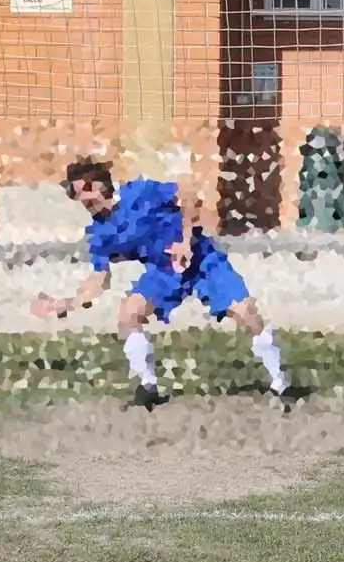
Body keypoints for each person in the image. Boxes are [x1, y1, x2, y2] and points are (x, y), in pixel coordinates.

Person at [30, 159, 298, 410]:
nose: (83, 199)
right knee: (128, 315)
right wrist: (65, 303)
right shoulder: (100, 234)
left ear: (100, 184)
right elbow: (99, 279)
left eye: (85, 191)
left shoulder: (141, 192)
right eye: (77, 196)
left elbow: (190, 195)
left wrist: (184, 240)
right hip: (164, 272)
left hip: (203, 260)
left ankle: (280, 384)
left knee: (246, 314)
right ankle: (148, 387)